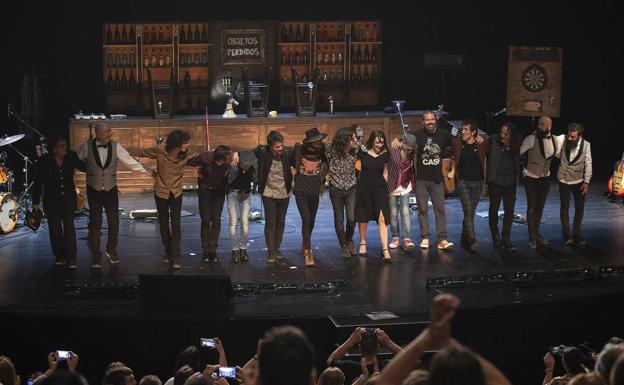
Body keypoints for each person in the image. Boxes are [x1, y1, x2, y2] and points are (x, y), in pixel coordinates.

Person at [77, 122, 151, 269]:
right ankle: (96, 255)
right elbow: (76, 161)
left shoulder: (116, 146)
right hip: (94, 190)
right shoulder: (86, 146)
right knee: (95, 223)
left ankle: (111, 250)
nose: (110, 134)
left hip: (111, 190)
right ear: (98, 134)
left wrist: (146, 171)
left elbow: (130, 161)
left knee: (114, 223)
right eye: (108, 132)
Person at [234, 131, 295, 263]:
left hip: (284, 193)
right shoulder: (262, 150)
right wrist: (236, 154)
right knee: (270, 222)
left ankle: (277, 248)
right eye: (277, 147)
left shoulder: (289, 152)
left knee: (280, 222)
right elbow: (247, 155)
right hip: (268, 193)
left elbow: (299, 161)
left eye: (282, 146)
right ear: (270, 146)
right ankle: (271, 251)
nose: (281, 149)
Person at [140, 130, 197, 269]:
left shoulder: (187, 153)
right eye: (185, 142)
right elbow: (139, 154)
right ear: (177, 144)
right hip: (161, 191)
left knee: (176, 224)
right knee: (164, 223)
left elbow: (202, 158)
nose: (187, 145)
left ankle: (175, 256)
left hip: (176, 192)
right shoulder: (160, 150)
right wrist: (149, 171)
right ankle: (167, 251)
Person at [32, 135, 86, 269]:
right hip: (52, 201)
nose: (65, 148)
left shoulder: (71, 157)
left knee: (69, 230)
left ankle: (72, 259)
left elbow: (84, 167)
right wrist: (35, 202)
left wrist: (87, 151)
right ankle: (60, 257)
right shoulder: (44, 161)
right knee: (55, 230)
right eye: (62, 146)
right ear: (54, 149)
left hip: (68, 199)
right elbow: (38, 182)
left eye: (65, 146)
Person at [409, 111, 454, 250]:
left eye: (432, 119)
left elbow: (456, 142)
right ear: (423, 122)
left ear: (436, 120)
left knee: (440, 209)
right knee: (422, 210)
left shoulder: (443, 134)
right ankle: (425, 237)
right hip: (421, 179)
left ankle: (442, 239)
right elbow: (404, 142)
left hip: (437, 179)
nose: (430, 122)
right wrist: (397, 141)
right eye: (427, 120)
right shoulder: (417, 135)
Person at [187, 145, 233, 263]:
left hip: (218, 192)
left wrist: (237, 154)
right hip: (205, 190)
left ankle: (213, 250)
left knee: (216, 220)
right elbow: (190, 161)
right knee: (206, 220)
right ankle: (206, 250)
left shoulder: (229, 161)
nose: (230, 159)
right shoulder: (206, 157)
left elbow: (240, 158)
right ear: (220, 157)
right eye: (227, 157)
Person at [520, 116, 559, 248]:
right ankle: (531, 237)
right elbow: (518, 152)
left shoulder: (554, 140)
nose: (539, 126)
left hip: (545, 177)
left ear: (549, 126)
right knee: (532, 206)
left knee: (540, 206)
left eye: (542, 124)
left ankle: (536, 233)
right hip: (531, 177)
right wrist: (523, 168)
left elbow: (559, 154)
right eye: (538, 124)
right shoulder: (531, 139)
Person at [293, 128, 329, 267]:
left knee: (311, 220)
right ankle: (308, 251)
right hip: (301, 190)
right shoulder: (299, 149)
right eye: (316, 141)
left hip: (315, 190)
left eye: (320, 140)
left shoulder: (323, 151)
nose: (320, 143)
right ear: (310, 142)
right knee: (306, 219)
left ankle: (305, 242)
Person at [355, 130, 391, 262]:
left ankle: (385, 249)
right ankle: (363, 243)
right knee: (363, 216)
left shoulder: (385, 155)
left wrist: (386, 188)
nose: (379, 145)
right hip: (364, 188)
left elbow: (385, 172)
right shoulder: (363, 153)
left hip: (380, 189)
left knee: (382, 218)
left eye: (381, 142)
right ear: (372, 141)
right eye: (377, 142)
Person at [452, 119, 488, 252]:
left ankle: (464, 237)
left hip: (478, 182)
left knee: (470, 212)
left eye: (466, 130)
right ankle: (472, 240)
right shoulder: (457, 143)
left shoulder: (481, 144)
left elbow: (490, 143)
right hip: (463, 182)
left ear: (473, 132)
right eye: (463, 129)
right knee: (468, 211)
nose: (463, 132)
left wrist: (483, 140)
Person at [555, 123, 592, 245]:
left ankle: (576, 234)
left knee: (579, 209)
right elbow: (552, 146)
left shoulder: (586, 145)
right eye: (569, 135)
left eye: (573, 137)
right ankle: (566, 235)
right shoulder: (563, 139)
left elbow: (588, 164)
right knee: (564, 208)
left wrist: (586, 182)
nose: (570, 138)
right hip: (564, 180)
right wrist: (560, 157)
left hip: (578, 181)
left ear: (579, 135)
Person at [486, 122, 521, 251]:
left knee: (509, 211)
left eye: (505, 134)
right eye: (501, 132)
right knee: (494, 208)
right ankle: (495, 235)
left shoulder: (516, 144)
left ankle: (506, 237)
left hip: (510, 181)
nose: (502, 135)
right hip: (496, 181)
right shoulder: (493, 140)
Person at [327, 327, 403, 385]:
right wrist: (388, 343)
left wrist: (350, 341)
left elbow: (331, 361)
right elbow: (411, 361)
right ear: (378, 348)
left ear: (360, 348)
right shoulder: (388, 367)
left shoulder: (349, 367)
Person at [327, 126, 360, 258]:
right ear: (344, 139)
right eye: (352, 138)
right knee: (339, 219)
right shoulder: (332, 149)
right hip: (336, 189)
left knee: (352, 219)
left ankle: (349, 238)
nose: (355, 140)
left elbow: (373, 148)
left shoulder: (356, 151)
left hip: (351, 188)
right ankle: (343, 245)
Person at [386, 133, 418, 252]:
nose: (409, 150)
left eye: (411, 148)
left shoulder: (413, 152)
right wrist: (396, 141)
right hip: (392, 185)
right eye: (407, 147)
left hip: (405, 185)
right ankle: (395, 237)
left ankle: (407, 238)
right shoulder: (392, 149)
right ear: (403, 143)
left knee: (405, 212)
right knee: (393, 213)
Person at [226, 150, 257, 263]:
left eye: (248, 166)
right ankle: (234, 250)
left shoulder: (253, 166)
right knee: (233, 223)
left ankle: (243, 249)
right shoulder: (234, 164)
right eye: (244, 165)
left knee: (245, 223)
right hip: (233, 194)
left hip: (246, 195)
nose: (245, 168)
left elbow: (257, 150)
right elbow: (229, 179)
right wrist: (235, 153)